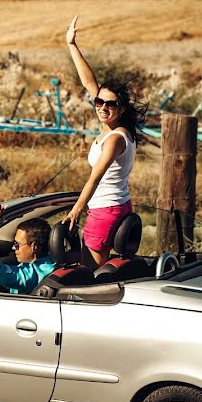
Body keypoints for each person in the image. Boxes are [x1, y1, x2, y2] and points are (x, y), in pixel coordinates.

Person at [63, 15, 146, 269]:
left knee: (90, 273)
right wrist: (71, 44)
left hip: (105, 210)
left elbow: (95, 178)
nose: (103, 107)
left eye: (110, 104)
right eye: (99, 102)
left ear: (121, 108)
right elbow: (90, 83)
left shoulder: (114, 140)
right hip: (118, 204)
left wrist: (77, 209)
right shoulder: (120, 130)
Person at [0, 203, 56, 294]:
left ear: (34, 246)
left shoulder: (32, 275)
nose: (13, 248)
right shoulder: (52, 263)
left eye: (17, 244)